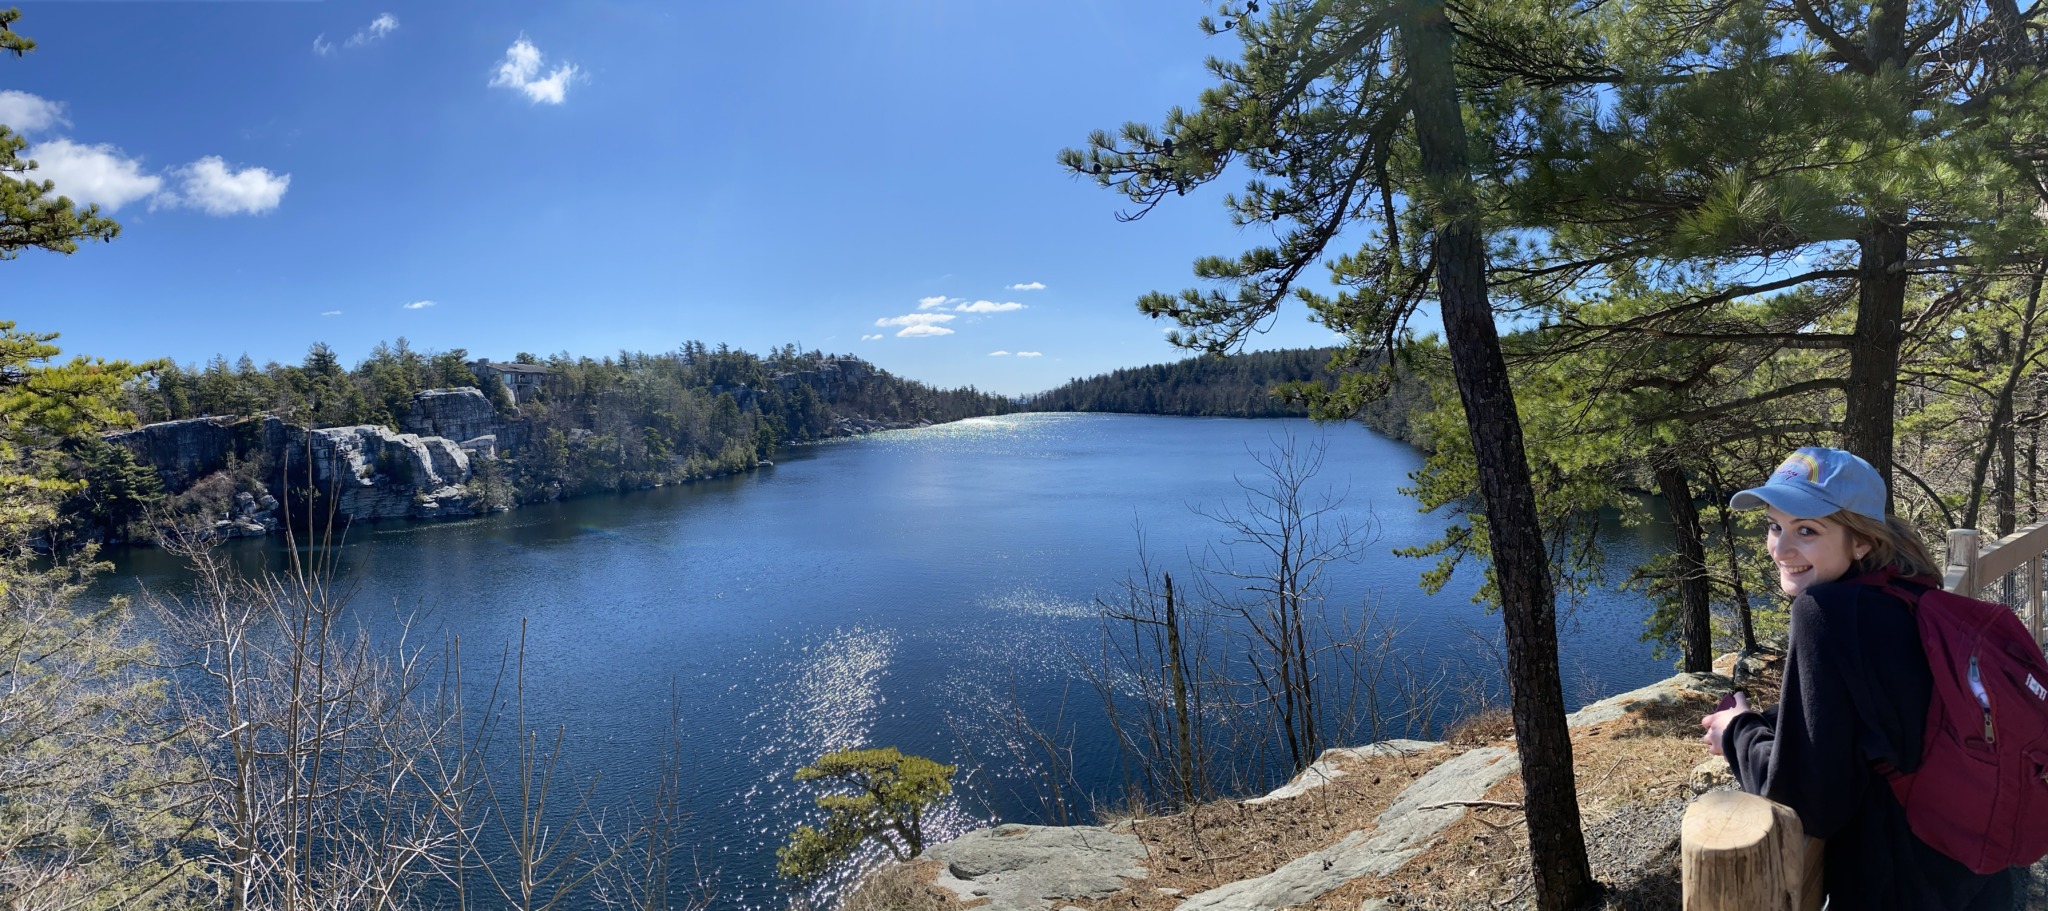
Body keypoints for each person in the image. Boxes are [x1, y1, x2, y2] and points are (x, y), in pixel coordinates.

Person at [1701, 446, 2027, 909]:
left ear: (1862, 541)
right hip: (1974, 874)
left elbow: (1807, 801)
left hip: (1902, 887)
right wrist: (1776, 719)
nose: (1781, 548)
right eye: (1775, 526)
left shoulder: (1823, 612)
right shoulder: (1908, 592)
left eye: (1807, 530)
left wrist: (1737, 733)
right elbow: (1867, 712)